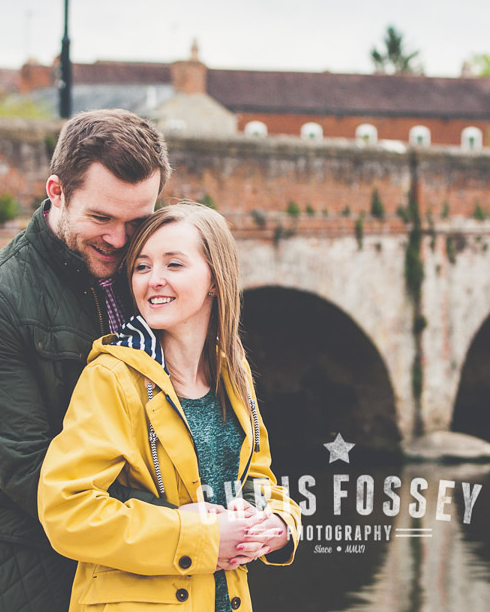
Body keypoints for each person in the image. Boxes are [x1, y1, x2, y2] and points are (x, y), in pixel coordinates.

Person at [0, 110, 171, 612]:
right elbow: (35, 475)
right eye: (101, 218)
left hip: (143, 579)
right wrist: (190, 524)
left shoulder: (155, 280)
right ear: (57, 192)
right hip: (22, 583)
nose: (120, 240)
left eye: (138, 221)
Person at [39, 202, 300, 612]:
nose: (153, 280)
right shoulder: (113, 377)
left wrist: (278, 524)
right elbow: (67, 511)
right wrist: (197, 537)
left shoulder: (233, 371)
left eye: (173, 264)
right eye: (142, 267)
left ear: (215, 279)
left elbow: (257, 478)